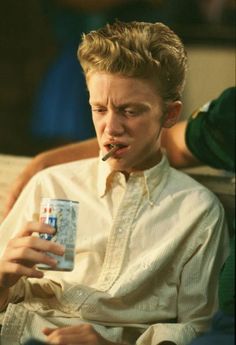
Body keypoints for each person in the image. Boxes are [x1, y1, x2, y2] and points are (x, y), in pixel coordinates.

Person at [0, 21, 229, 345]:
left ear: (170, 114)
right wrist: (3, 280)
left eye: (130, 111)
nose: (110, 128)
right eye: (98, 109)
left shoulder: (196, 213)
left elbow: (198, 330)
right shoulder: (51, 185)